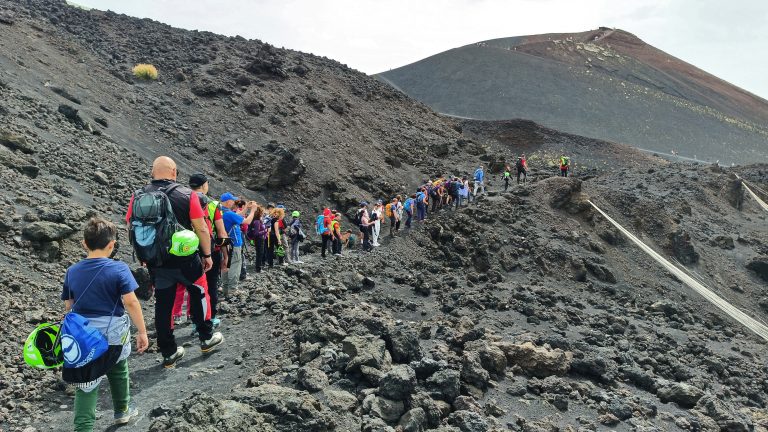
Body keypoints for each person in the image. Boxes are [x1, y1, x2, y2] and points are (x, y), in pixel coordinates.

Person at [126, 156, 222, 368]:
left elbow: (131, 226)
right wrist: (207, 255)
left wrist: (144, 256)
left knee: (163, 305)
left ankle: (169, 352)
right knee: (199, 293)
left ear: (153, 172)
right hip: (186, 258)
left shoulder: (138, 196)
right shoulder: (187, 195)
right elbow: (202, 228)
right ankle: (206, 338)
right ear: (174, 172)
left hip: (157, 262)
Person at [63, 217, 148, 431]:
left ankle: (83, 428)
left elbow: (69, 306)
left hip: (84, 337)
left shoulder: (72, 271)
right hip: (113, 333)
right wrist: (142, 331)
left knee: (87, 383)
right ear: (111, 245)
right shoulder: (118, 269)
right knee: (118, 368)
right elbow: (130, 302)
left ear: (84, 243)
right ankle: (122, 411)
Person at [174, 173, 229, 329]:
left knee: (193, 286)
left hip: (188, 250)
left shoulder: (182, 200)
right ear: (205, 185)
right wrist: (226, 255)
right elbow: (221, 232)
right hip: (210, 250)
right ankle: (208, 319)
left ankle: (194, 319)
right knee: (210, 286)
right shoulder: (212, 204)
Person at [220, 192, 257, 299]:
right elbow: (247, 221)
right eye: (232, 200)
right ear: (228, 201)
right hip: (234, 243)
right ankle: (232, 289)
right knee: (235, 265)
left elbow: (237, 216)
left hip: (225, 243)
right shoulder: (229, 214)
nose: (234, 202)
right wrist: (253, 210)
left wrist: (245, 207)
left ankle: (225, 287)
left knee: (226, 264)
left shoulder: (222, 211)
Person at [245, 206, 267, 273]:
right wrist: (265, 231)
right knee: (260, 253)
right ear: (259, 213)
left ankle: (258, 267)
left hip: (258, 239)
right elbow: (256, 233)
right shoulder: (257, 221)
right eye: (262, 212)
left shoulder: (255, 220)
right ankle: (258, 268)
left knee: (259, 253)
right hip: (259, 239)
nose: (263, 214)